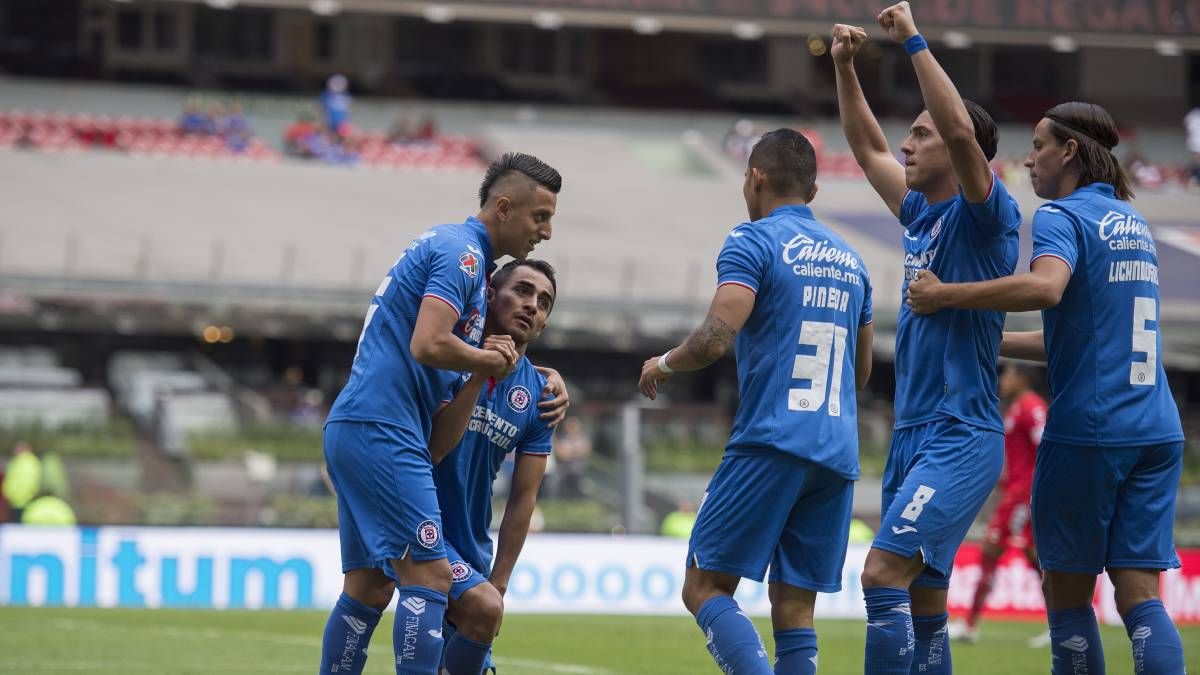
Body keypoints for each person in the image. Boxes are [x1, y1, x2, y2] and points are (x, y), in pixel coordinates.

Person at [907, 100, 1187, 674]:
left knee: (1066, 596)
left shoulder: (1064, 216)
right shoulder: (1135, 225)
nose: (1028, 159)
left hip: (1092, 429)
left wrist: (947, 295)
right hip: (1156, 428)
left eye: (1038, 146)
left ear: (1070, 152)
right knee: (1140, 597)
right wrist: (990, 339)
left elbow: (1046, 288)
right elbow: (1080, 336)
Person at [639, 127, 874, 675]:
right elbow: (859, 373)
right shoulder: (853, 262)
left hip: (772, 440)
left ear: (755, 178)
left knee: (704, 584)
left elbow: (715, 338)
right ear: (813, 193)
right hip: (837, 453)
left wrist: (665, 364)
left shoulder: (754, 241)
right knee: (794, 607)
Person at [317, 152, 562, 675]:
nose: (545, 230)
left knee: (368, 586)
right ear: (503, 207)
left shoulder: (456, 255)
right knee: (429, 578)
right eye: (539, 217)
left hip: (365, 424)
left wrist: (513, 370)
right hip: (383, 427)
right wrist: (488, 359)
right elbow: (428, 343)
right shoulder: (464, 256)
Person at [831, 4, 1022, 672]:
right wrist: (844, 66)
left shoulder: (985, 216)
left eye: (920, 134)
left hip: (960, 433)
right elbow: (867, 148)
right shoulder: (918, 214)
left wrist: (911, 38)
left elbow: (964, 135)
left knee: (882, 573)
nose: (906, 145)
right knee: (923, 610)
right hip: (915, 433)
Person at [428, 258, 561, 675]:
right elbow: (434, 448)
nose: (532, 305)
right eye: (522, 290)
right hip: (418, 520)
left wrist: (500, 581)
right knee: (481, 609)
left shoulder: (540, 396)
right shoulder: (446, 352)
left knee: (483, 613)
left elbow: (524, 498)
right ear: (489, 295)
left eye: (543, 302)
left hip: (472, 547)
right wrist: (478, 371)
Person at [950, 362, 1046, 644]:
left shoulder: (1032, 407)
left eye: (1009, 374)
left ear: (1024, 378)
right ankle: (1064, 621)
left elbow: (1045, 448)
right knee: (1032, 555)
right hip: (1015, 492)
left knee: (991, 548)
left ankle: (969, 625)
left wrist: (1032, 492)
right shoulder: (1016, 408)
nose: (1002, 379)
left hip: (1023, 494)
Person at [553, 416, 591, 498]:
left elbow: (585, 451)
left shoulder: (582, 438)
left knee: (577, 491)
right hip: (564, 470)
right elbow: (561, 454)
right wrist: (575, 451)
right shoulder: (562, 438)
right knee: (564, 491)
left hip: (578, 469)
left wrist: (570, 452)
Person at [3, 441, 41, 523]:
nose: (15, 450)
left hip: (22, 500)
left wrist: (9, 493)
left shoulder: (27, 462)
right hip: (17, 500)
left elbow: (26, 482)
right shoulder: (20, 461)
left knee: (20, 524)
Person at [321, 74, 352, 138]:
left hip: (341, 120)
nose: (337, 86)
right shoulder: (326, 95)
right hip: (330, 119)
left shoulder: (345, 96)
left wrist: (347, 120)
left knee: (342, 135)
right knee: (329, 134)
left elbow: (348, 109)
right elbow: (323, 108)